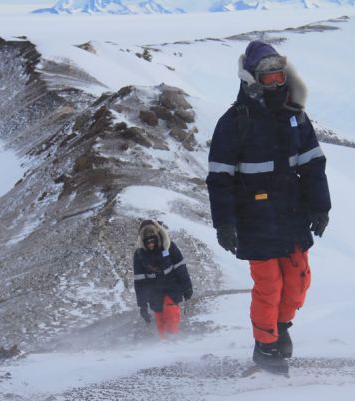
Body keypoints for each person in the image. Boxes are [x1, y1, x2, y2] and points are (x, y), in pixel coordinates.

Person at [206, 41, 331, 374]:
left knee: (298, 280)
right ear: (251, 80)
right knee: (269, 285)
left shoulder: (295, 117)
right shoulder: (233, 122)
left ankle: (282, 326)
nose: (275, 84)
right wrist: (225, 224)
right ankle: (265, 346)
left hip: (292, 216)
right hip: (254, 219)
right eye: (268, 78)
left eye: (279, 77)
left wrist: (321, 208)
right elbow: (219, 178)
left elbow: (313, 163)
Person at [133, 220, 193, 339]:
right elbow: (139, 281)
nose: (150, 244)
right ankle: (164, 347)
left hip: (171, 288)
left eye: (152, 241)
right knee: (160, 320)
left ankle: (173, 341)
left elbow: (181, 268)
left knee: (171, 314)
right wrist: (142, 305)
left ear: (157, 237)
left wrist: (187, 287)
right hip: (154, 293)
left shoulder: (169, 246)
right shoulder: (139, 255)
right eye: (147, 242)